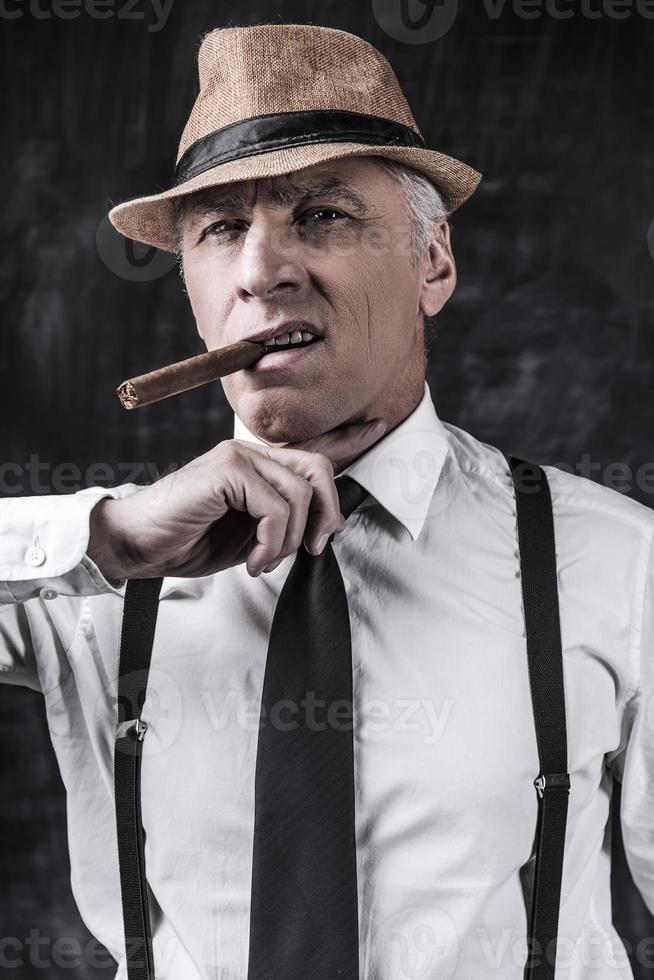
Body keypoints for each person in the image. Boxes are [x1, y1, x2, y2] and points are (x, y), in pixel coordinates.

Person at [2, 22, 653, 980]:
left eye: (323, 217)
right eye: (223, 230)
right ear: (190, 285)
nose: (263, 270)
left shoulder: (618, 562)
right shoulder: (87, 576)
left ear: (433, 263)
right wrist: (100, 535)